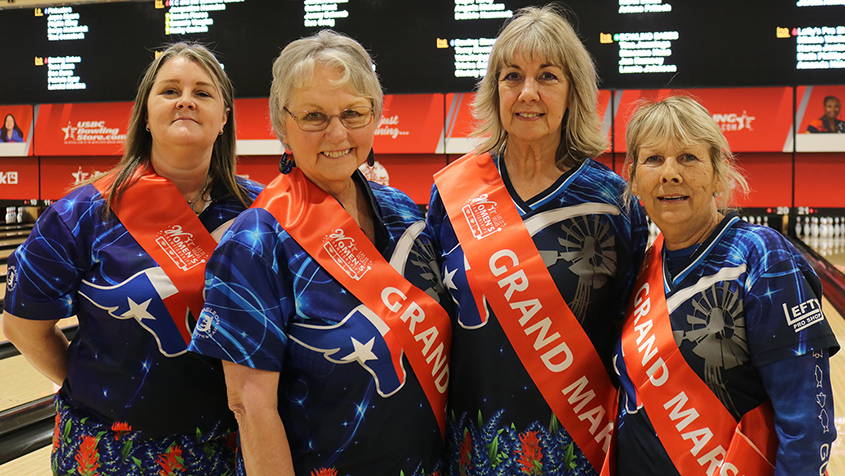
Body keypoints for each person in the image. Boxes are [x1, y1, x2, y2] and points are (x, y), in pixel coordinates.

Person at [189, 30, 451, 476]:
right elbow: (250, 405)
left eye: (353, 113)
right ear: (283, 124)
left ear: (375, 116)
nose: (337, 133)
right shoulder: (256, 240)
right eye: (313, 116)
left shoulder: (405, 213)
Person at [2, 42, 263, 475]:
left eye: (202, 92)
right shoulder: (82, 213)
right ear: (145, 113)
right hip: (107, 451)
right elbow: (22, 327)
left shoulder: (261, 213)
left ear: (224, 118)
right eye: (170, 90)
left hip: (225, 448)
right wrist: (94, 388)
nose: (185, 100)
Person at [426, 5, 648, 475]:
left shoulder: (612, 202)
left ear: (573, 93)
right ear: (494, 90)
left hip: (579, 453)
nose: (527, 92)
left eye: (547, 76)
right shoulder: (452, 192)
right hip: (472, 455)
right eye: (512, 76)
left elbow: (631, 333)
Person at [613, 95, 839, 476]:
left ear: (718, 173)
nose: (670, 173)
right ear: (634, 178)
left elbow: (806, 428)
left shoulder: (763, 258)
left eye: (688, 157)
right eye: (653, 159)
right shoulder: (643, 266)